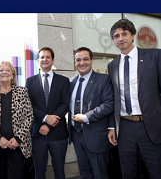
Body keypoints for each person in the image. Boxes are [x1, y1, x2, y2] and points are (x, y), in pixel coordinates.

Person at [107, 18, 161, 178]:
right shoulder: (112, 65)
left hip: (150, 125)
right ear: (113, 41)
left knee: (156, 171)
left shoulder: (155, 56)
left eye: (124, 34)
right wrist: (112, 126)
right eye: (116, 36)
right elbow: (113, 98)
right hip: (125, 128)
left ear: (133, 36)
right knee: (128, 173)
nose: (120, 38)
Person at [0, 61, 33, 179]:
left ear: (13, 74)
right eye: (1, 70)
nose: (4, 72)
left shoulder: (22, 92)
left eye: (8, 70)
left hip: (18, 147)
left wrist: (18, 138)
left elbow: (29, 116)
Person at [69, 47, 114, 179]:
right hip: (76, 135)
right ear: (75, 62)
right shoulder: (71, 82)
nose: (82, 62)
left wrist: (86, 117)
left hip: (96, 136)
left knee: (100, 174)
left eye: (85, 59)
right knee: (84, 173)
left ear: (92, 60)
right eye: (78, 60)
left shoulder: (103, 79)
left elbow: (109, 104)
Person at [25, 47, 70, 179]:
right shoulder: (30, 81)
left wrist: (49, 124)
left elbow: (65, 104)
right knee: (38, 172)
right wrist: (45, 118)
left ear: (53, 60)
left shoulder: (63, 81)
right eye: (42, 57)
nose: (45, 59)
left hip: (58, 134)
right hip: (38, 134)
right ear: (38, 60)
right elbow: (29, 105)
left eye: (48, 57)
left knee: (59, 171)